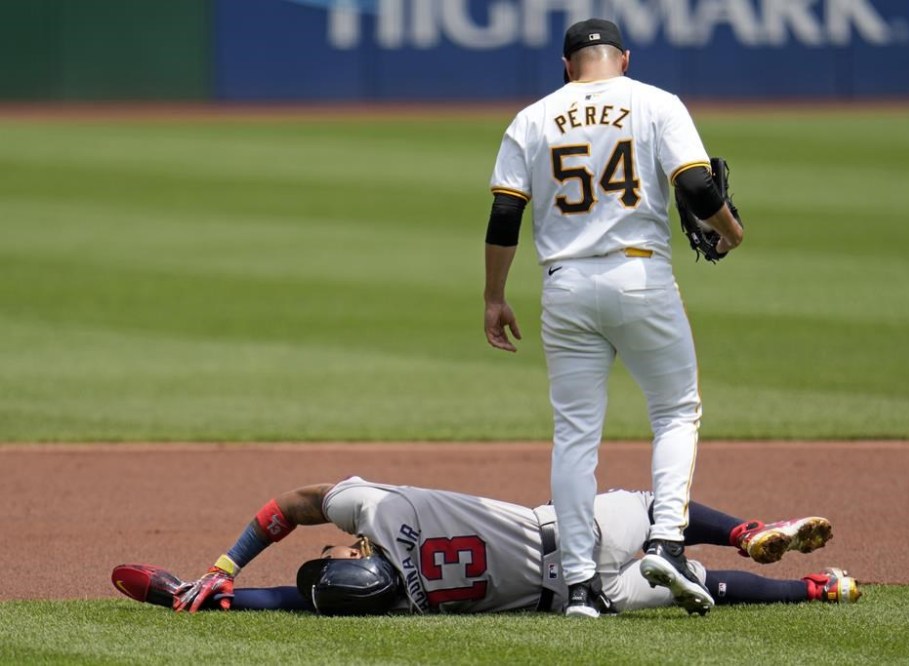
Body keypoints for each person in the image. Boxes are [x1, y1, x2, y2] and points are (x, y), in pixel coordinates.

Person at [482, 18, 745, 616]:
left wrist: (494, 298)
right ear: (623, 58)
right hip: (639, 275)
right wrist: (731, 232)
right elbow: (700, 187)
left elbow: (504, 217)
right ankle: (666, 542)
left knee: (575, 435)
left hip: (564, 284)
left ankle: (579, 587)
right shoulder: (656, 102)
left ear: (567, 64)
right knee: (676, 409)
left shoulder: (532, 117)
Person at [111, 476, 859, 617]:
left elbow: (289, 601)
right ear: (353, 553)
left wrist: (204, 595)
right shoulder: (384, 506)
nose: (332, 555)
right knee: (660, 511)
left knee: (697, 584)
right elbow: (292, 506)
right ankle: (745, 531)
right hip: (568, 529)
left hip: (573, 596)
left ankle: (822, 589)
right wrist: (224, 564)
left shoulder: (404, 604)